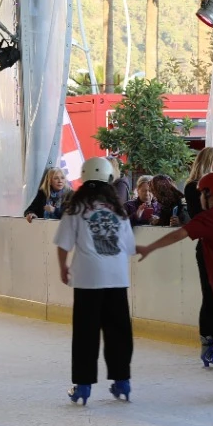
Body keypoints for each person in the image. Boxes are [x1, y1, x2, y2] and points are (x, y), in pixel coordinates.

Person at [135, 170, 213, 400]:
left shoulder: (209, 217)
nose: (200, 197)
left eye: (202, 192)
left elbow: (178, 234)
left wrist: (149, 247)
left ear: (209, 194)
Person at [54, 157, 136, 404]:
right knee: (119, 331)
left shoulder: (75, 209)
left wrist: (63, 267)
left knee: (85, 333)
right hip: (117, 277)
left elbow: (63, 243)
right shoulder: (119, 211)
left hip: (88, 278)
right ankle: (122, 382)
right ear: (109, 180)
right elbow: (129, 246)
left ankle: (83, 386)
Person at [184, 147, 213, 368]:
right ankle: (208, 345)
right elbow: (202, 218)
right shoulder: (194, 188)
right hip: (207, 247)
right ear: (206, 162)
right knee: (210, 294)